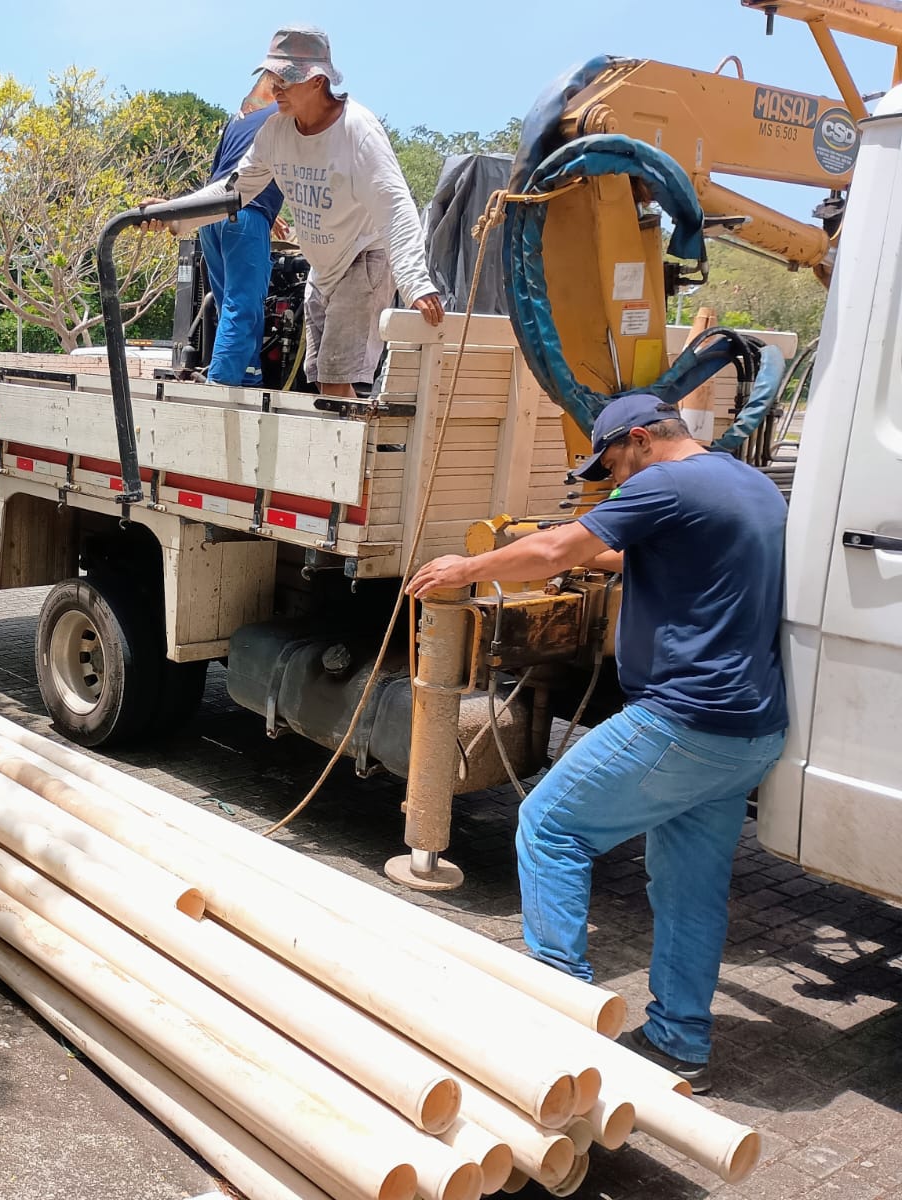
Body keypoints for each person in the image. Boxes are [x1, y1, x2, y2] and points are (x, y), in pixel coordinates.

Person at [407, 395, 789, 1092]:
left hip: (683, 722)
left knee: (549, 826)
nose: (610, 482)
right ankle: (678, 1043)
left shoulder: (663, 482)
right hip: (750, 731)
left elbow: (559, 550)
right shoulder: (746, 481)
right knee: (690, 889)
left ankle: (561, 1023)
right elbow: (653, 553)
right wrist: (586, 542)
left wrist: (467, 567)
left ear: (641, 440)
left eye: (611, 464)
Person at [152, 26, 444, 398]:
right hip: (322, 268)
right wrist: (172, 214)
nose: (275, 90)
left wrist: (415, 282)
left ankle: (350, 453)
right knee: (322, 381)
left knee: (337, 380)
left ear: (317, 80)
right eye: (273, 78)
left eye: (286, 80)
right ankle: (347, 449)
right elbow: (233, 190)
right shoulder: (276, 132)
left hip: (362, 258)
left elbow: (395, 208)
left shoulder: (357, 132)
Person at [197, 83, 285, 386]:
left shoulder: (239, 118)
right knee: (243, 306)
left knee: (230, 307)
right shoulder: (285, 114)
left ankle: (248, 380)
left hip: (210, 214)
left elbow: (221, 173)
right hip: (244, 217)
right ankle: (219, 389)